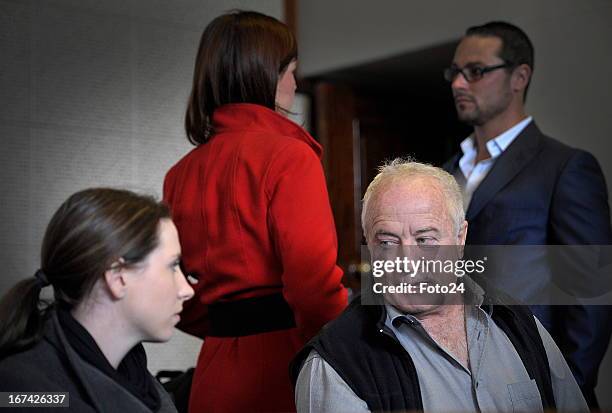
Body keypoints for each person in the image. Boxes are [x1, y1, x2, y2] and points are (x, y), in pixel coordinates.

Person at [291, 159, 589, 412]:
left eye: (425, 239)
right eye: (387, 242)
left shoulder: (520, 325)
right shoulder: (335, 365)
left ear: (460, 239)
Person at [163, 10, 347, 413]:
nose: (295, 83)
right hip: (284, 366)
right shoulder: (290, 156)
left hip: (213, 370)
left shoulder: (179, 174)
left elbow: (170, 289)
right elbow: (313, 287)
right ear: (264, 73)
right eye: (290, 70)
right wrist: (349, 346)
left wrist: (225, 327)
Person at [442, 21, 612, 408]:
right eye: (455, 72)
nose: (458, 83)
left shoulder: (565, 167)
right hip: (456, 386)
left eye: (476, 71)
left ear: (519, 76)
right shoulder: (446, 172)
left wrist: (564, 391)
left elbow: (593, 295)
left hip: (535, 385)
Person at [0, 188, 195, 412]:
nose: (187, 290)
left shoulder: (137, 380)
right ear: (117, 277)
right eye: (172, 266)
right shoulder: (23, 394)